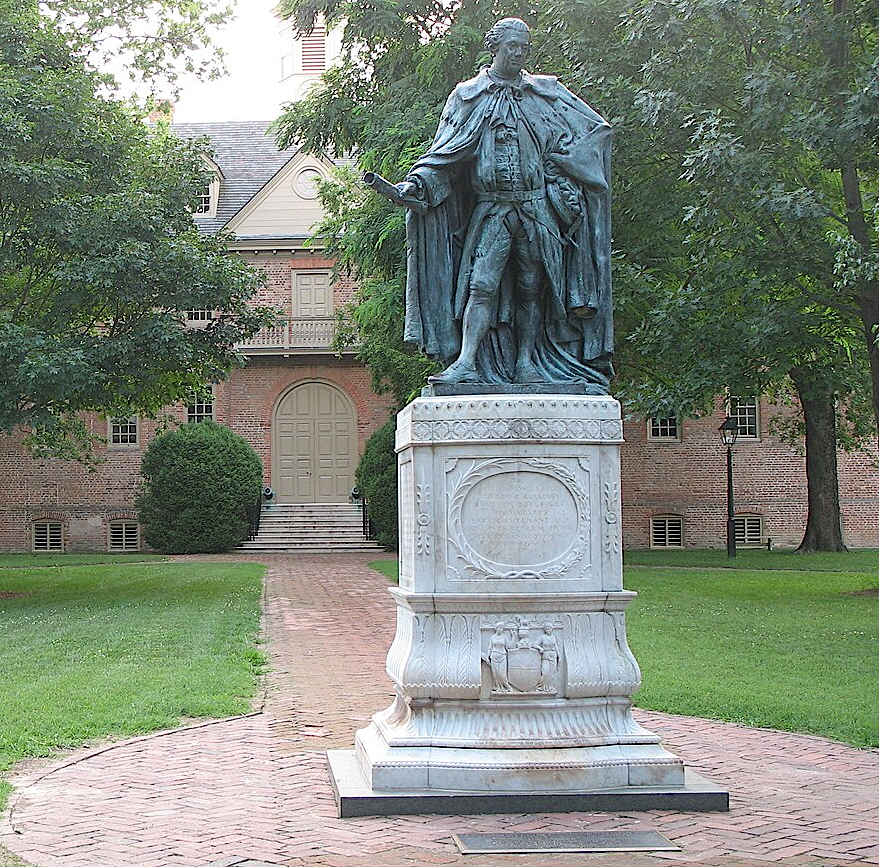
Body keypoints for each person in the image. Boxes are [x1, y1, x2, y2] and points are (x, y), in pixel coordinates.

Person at [397, 17, 613, 390]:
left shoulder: (546, 94)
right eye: (512, 46)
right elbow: (444, 157)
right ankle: (466, 362)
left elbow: (591, 135)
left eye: (524, 47)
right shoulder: (469, 95)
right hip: (492, 209)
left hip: (536, 209)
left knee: (533, 288)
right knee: (481, 285)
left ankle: (527, 362)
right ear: (494, 47)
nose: (519, 53)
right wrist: (417, 184)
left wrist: (565, 167)